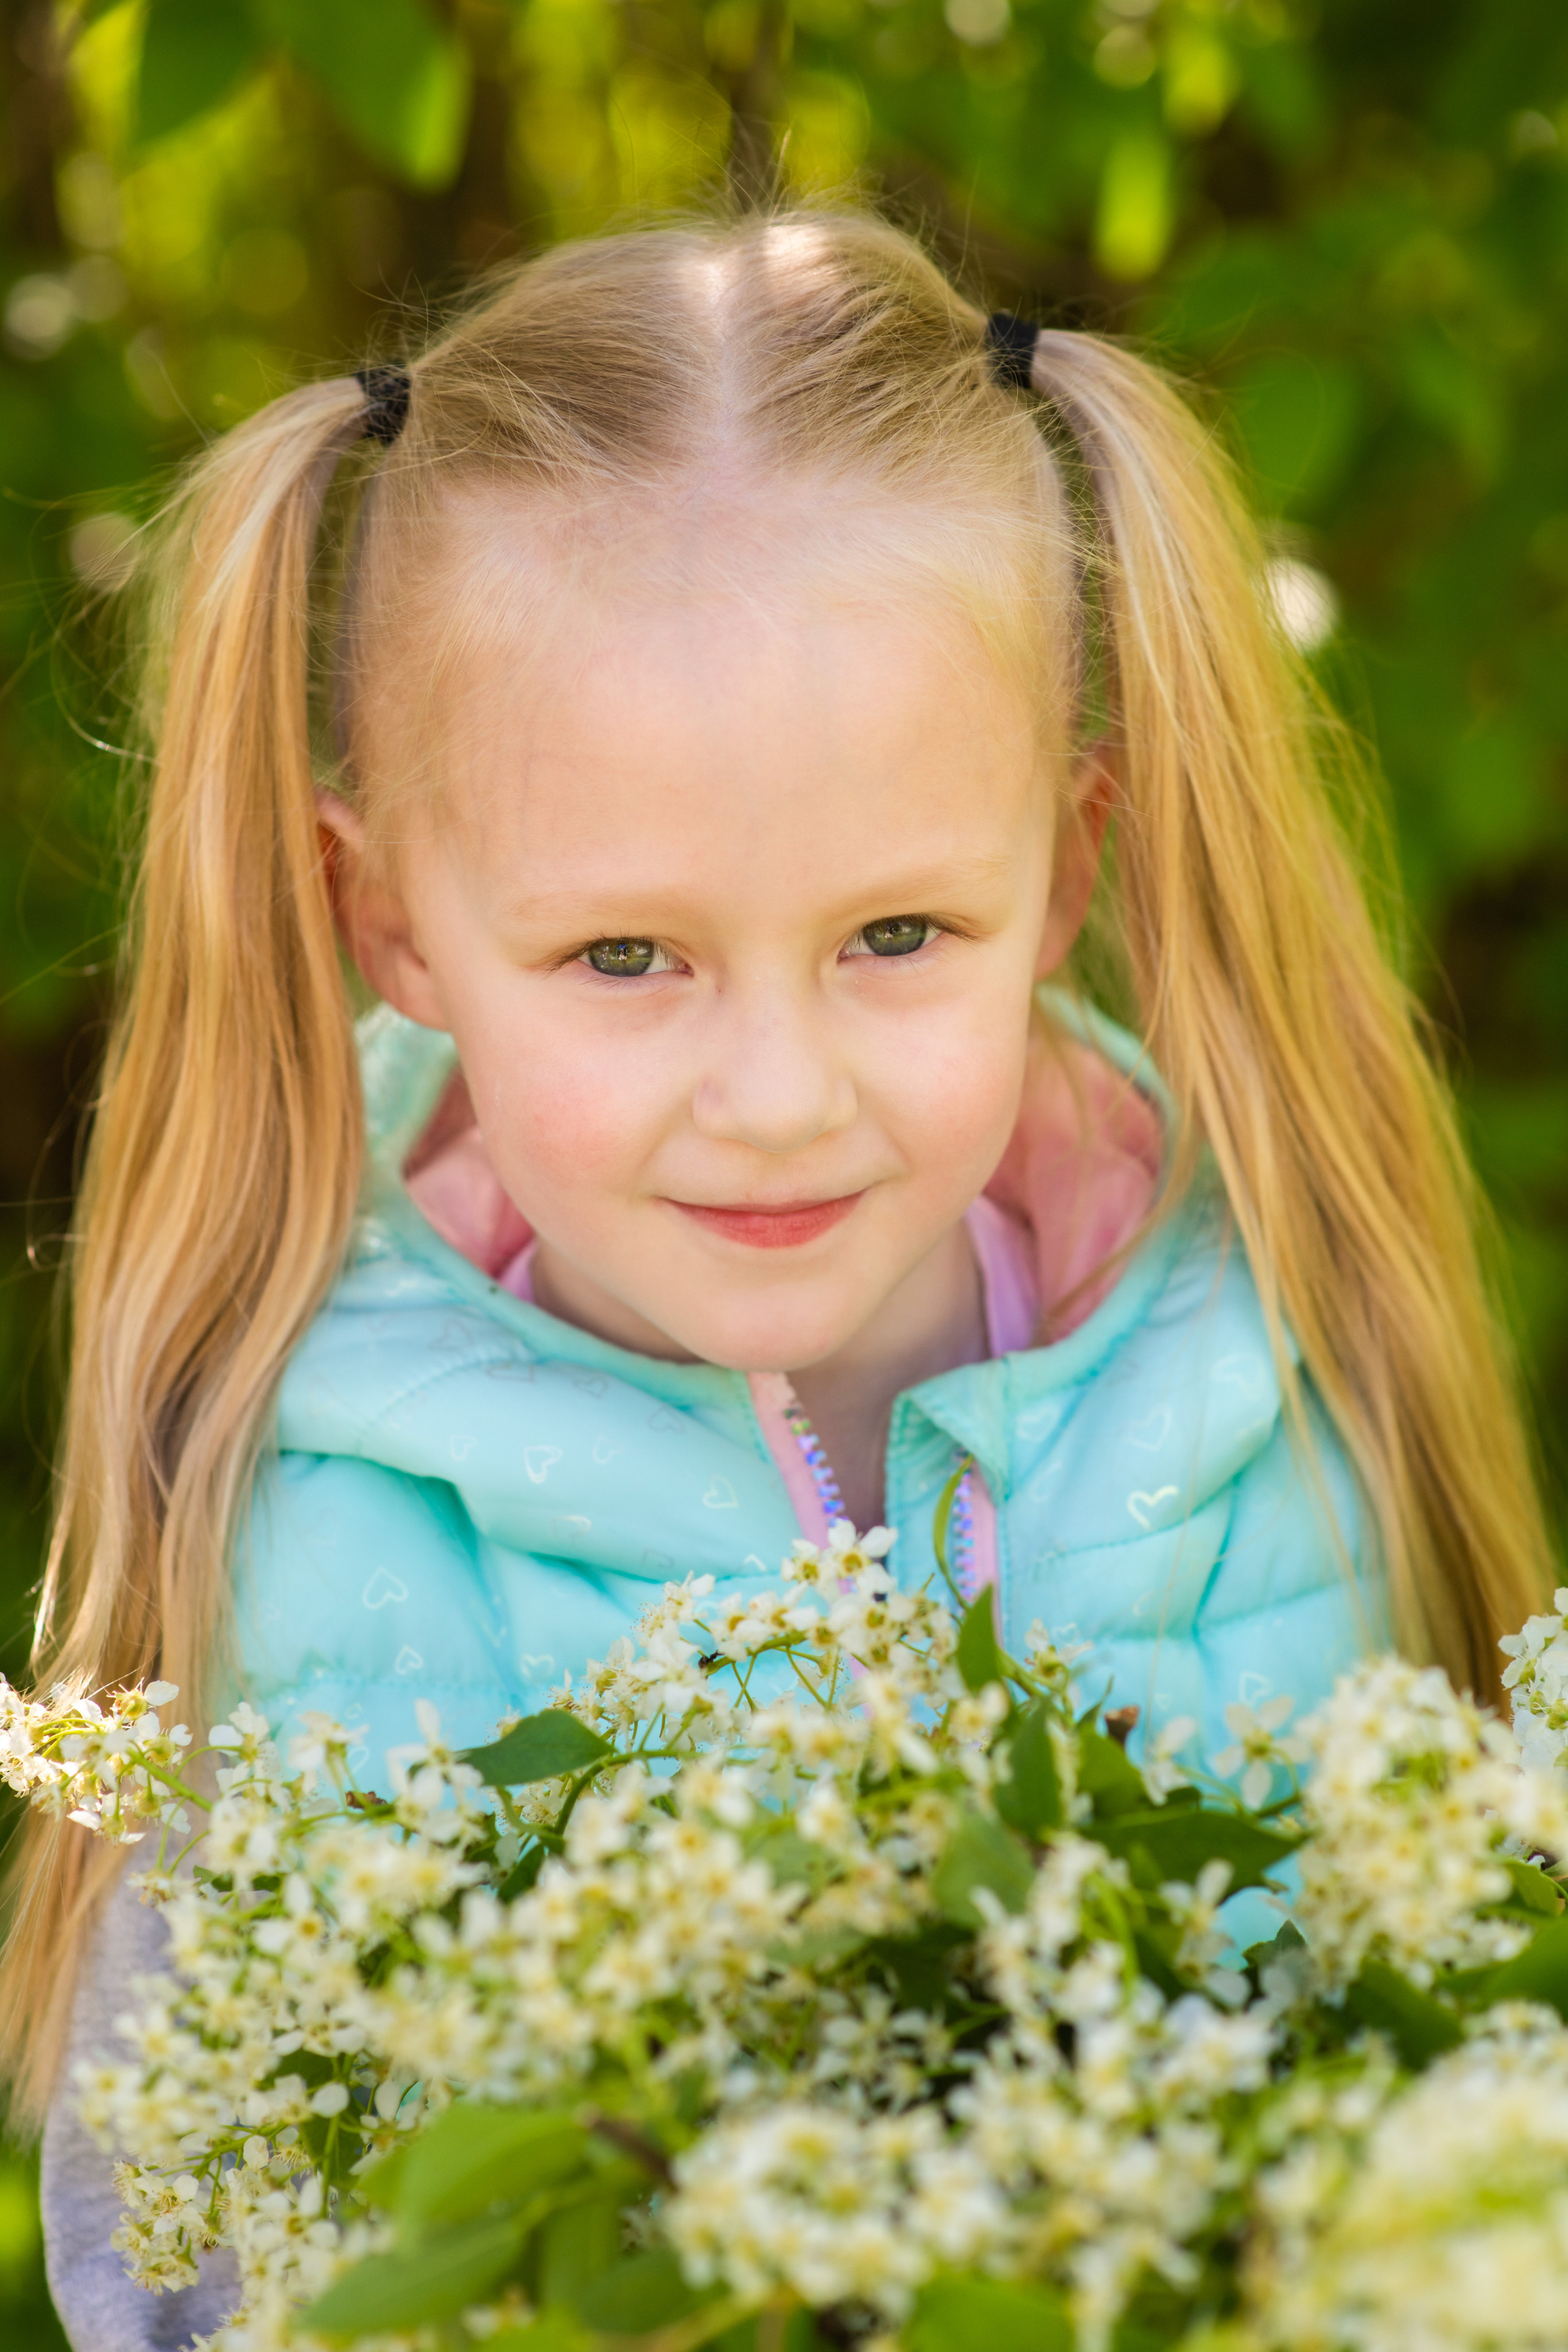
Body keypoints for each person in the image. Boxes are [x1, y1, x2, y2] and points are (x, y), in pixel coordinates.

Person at [4, 211, 1551, 2349]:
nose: (777, 1094)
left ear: (1066, 873)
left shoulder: (1252, 1393)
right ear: (394, 930)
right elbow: (198, 2261)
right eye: (626, 958)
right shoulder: (325, 1546)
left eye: (896, 937)